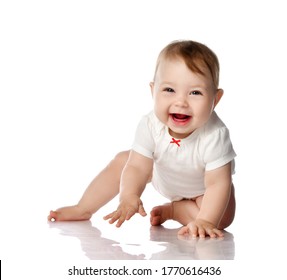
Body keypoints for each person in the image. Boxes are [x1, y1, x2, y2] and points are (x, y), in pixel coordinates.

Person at [48, 40, 236, 238]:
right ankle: (83, 208)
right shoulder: (150, 124)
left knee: (220, 219)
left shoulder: (215, 135)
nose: (181, 102)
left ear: (215, 100)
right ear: (153, 91)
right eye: (169, 90)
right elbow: (138, 167)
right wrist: (129, 195)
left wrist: (206, 220)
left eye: (195, 92)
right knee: (124, 160)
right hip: (161, 174)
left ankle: (174, 210)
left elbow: (217, 184)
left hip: (202, 191)